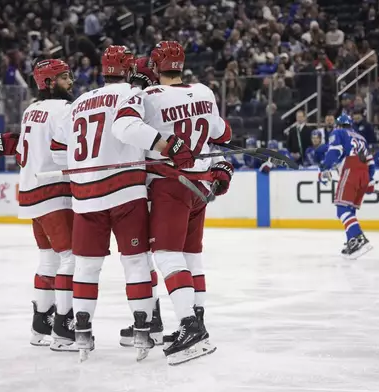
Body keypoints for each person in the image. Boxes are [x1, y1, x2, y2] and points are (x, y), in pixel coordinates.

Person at [114, 41, 233, 365]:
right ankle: (197, 318)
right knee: (192, 257)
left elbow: (124, 128)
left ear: (155, 65)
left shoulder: (149, 98)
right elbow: (223, 134)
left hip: (169, 184)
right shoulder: (206, 92)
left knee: (166, 255)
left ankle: (190, 328)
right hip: (200, 186)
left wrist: (161, 138)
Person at [52, 46, 157, 362]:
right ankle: (142, 330)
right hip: (125, 193)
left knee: (86, 266)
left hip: (85, 196)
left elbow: (59, 151)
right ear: (127, 70)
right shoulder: (131, 93)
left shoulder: (79, 102)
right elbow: (139, 135)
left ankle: (82, 333)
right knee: (136, 262)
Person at [0, 59, 77, 351]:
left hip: (30, 193)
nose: (71, 81)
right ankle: (64, 327)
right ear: (49, 82)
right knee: (71, 259)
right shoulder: (64, 109)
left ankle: (42, 324)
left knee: (49, 260)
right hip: (53, 191)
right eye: (64, 77)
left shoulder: (32, 110)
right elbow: (66, 151)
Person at [118, 56, 165, 348]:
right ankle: (151, 318)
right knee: (144, 259)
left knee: (141, 259)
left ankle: (151, 321)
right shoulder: (154, 99)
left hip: (142, 188)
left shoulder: (140, 99)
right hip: (148, 188)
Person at [318, 114, 375, 260]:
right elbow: (370, 161)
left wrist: (325, 168)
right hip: (364, 173)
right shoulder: (361, 138)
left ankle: (359, 237)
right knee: (350, 209)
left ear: (338, 125)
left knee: (341, 209)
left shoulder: (338, 132)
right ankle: (353, 241)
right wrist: (370, 180)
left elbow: (334, 151)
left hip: (351, 169)